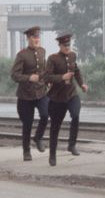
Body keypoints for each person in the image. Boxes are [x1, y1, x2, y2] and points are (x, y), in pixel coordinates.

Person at [46, 33, 89, 166]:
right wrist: (62, 77)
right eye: (65, 45)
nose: (67, 47)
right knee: (55, 127)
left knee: (75, 115)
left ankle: (72, 144)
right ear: (59, 45)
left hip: (71, 94)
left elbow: (76, 70)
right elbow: (47, 77)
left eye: (69, 45)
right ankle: (52, 154)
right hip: (57, 98)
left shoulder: (72, 55)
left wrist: (82, 83)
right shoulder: (52, 59)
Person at [9, 26, 49, 162]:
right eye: (34, 37)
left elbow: (43, 70)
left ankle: (38, 137)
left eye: (38, 37)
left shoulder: (43, 51)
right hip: (25, 95)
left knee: (45, 115)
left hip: (41, 91)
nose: (36, 39)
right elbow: (14, 75)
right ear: (28, 38)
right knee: (27, 123)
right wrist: (28, 78)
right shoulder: (22, 55)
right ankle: (26, 151)